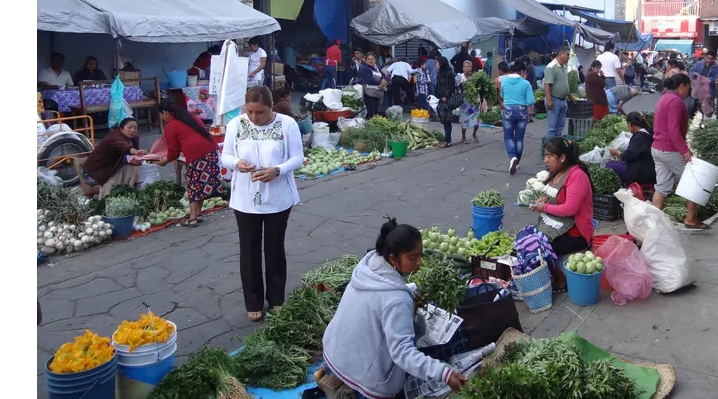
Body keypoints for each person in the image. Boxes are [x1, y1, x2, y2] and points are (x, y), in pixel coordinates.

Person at [320, 219, 468, 398]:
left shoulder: (369, 267)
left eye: (420, 255)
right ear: (393, 259)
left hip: (333, 351)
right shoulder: (396, 299)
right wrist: (445, 373)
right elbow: (402, 353)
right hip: (358, 374)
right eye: (412, 258)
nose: (419, 262)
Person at [220, 86, 304, 322]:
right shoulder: (236, 124)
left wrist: (278, 170)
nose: (255, 118)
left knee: (275, 249)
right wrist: (237, 162)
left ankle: (276, 299)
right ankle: (253, 301)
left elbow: (297, 157)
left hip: (278, 198)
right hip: (245, 199)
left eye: (260, 112)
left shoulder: (287, 124)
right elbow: (225, 155)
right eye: (250, 112)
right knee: (249, 251)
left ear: (271, 107)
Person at [529, 137, 595, 291]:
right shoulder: (558, 172)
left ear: (563, 157)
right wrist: (542, 200)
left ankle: (561, 276)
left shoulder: (577, 176)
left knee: (538, 248)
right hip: (557, 224)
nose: (545, 160)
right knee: (526, 239)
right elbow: (555, 196)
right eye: (545, 156)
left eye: (549, 156)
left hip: (576, 232)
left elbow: (570, 209)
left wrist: (544, 208)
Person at [651, 74, 710, 230]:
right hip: (669, 150)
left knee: (662, 187)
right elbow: (673, 129)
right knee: (695, 181)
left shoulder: (664, 98)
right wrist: (684, 150)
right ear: (682, 86)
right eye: (689, 88)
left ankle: (654, 224)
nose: (690, 91)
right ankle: (690, 219)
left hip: (657, 148)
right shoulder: (676, 101)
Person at [156, 99, 220, 227]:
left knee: (193, 186)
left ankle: (192, 218)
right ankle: (198, 214)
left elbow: (173, 151)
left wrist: (165, 161)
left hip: (196, 155)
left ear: (165, 113)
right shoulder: (190, 116)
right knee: (201, 184)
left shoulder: (170, 126)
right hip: (211, 151)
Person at [81, 118, 146, 196]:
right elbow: (124, 147)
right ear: (121, 128)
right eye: (129, 127)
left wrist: (137, 158)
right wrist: (137, 152)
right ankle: (94, 190)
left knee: (134, 168)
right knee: (113, 185)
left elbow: (132, 156)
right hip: (93, 173)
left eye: (135, 128)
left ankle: (131, 190)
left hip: (111, 168)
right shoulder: (114, 137)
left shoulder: (134, 139)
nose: (133, 130)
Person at [500, 60, 535, 175]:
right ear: (522, 71)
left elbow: (502, 96)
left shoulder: (504, 81)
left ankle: (512, 157)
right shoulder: (526, 83)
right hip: (521, 111)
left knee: (508, 137)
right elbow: (530, 101)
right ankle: (517, 161)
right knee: (519, 138)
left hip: (508, 110)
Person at [605, 112, 656, 187]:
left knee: (610, 165)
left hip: (640, 173)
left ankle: (625, 187)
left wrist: (616, 152)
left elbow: (626, 157)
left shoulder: (639, 137)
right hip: (650, 170)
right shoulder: (648, 133)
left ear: (629, 124)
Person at [543, 47, 571, 140]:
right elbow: (547, 85)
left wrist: (570, 96)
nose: (569, 57)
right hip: (554, 100)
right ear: (561, 54)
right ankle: (548, 150)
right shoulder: (551, 67)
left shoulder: (563, 66)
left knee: (560, 127)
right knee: (552, 128)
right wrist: (549, 100)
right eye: (567, 54)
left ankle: (556, 148)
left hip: (563, 101)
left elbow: (563, 83)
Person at [454, 60, 483, 144]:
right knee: (464, 119)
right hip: (464, 102)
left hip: (473, 101)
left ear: (471, 68)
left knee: (477, 118)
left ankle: (474, 133)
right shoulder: (460, 77)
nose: (467, 68)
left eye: (468, 66)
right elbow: (456, 87)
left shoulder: (474, 77)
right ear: (462, 68)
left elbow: (478, 89)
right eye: (465, 67)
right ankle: (463, 137)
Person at [434, 56, 458, 148]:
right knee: (444, 120)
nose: (435, 65)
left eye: (437, 63)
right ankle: (447, 139)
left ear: (441, 63)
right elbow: (437, 86)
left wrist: (446, 97)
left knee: (446, 120)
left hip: (447, 100)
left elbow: (452, 87)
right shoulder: (439, 74)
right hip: (440, 99)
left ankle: (448, 140)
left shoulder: (449, 73)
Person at [359, 52, 385, 118]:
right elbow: (369, 80)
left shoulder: (377, 68)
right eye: (369, 59)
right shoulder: (364, 69)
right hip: (369, 93)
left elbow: (383, 75)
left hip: (377, 93)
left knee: (376, 112)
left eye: (372, 59)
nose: (371, 61)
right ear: (366, 60)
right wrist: (380, 82)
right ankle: (369, 125)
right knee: (371, 112)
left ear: (375, 60)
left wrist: (383, 79)